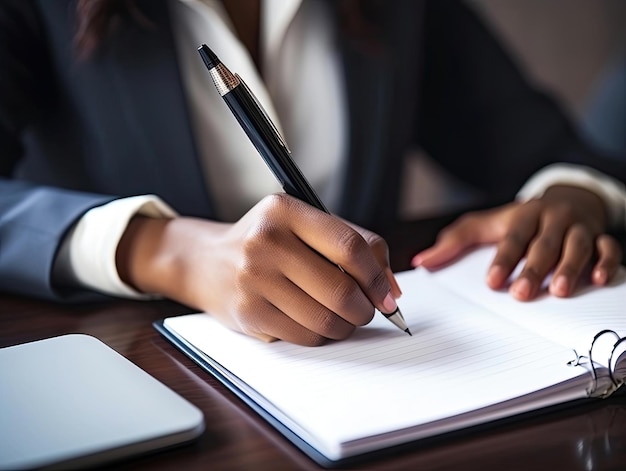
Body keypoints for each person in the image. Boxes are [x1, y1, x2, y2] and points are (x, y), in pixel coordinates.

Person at [1, 0, 625, 346]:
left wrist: (570, 196)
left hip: (360, 381)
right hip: (130, 368)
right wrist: (167, 250)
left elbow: (547, 149)